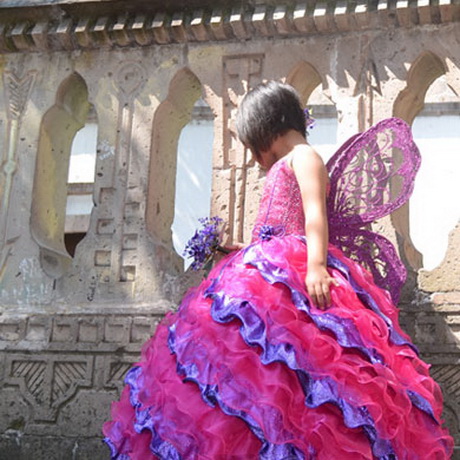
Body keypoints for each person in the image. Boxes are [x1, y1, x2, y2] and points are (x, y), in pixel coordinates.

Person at [103, 81, 453, 459]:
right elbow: (274, 225)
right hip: (267, 268)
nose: (256, 159)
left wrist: (317, 266)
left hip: (296, 270)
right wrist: (246, 250)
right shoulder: (284, 165)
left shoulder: (305, 157)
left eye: (254, 146)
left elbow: (315, 215)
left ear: (267, 128)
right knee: (256, 364)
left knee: (292, 367)